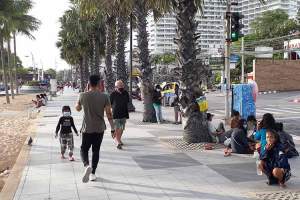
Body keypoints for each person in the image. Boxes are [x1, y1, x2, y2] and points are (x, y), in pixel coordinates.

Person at [76, 75, 115, 183]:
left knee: (84, 149)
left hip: (87, 128)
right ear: (99, 83)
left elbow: (78, 109)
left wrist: (82, 95)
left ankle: (87, 165)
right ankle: (93, 174)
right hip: (99, 128)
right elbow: (109, 113)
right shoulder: (105, 96)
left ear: (89, 83)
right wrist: (113, 128)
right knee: (96, 150)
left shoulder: (83, 95)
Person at [110, 80, 129, 150]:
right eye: (119, 85)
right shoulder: (113, 94)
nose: (121, 86)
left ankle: (118, 139)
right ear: (116, 86)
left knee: (121, 128)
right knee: (117, 128)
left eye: (121, 85)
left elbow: (127, 101)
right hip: (116, 114)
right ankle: (118, 142)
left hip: (124, 114)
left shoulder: (125, 93)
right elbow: (110, 103)